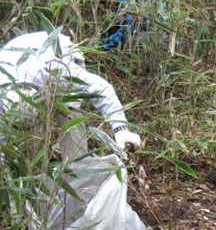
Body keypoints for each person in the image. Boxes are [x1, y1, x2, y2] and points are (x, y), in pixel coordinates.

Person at [0, 31, 142, 160]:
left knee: (69, 112)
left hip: (59, 52)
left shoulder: (57, 70)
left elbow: (102, 89)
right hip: (18, 60)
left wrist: (120, 129)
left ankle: (78, 169)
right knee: (28, 138)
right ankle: (34, 167)